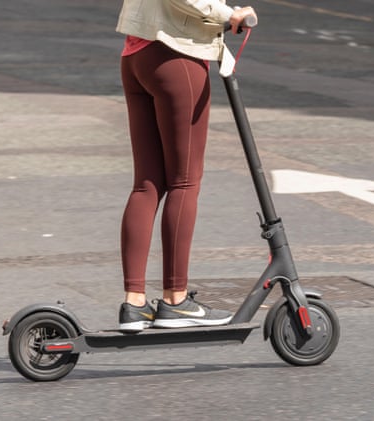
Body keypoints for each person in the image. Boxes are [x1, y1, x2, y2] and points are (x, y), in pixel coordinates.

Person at [116, 0, 257, 332]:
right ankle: (176, 300)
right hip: (174, 54)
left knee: (147, 183)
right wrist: (229, 15)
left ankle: (134, 303)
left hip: (136, 54)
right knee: (184, 181)